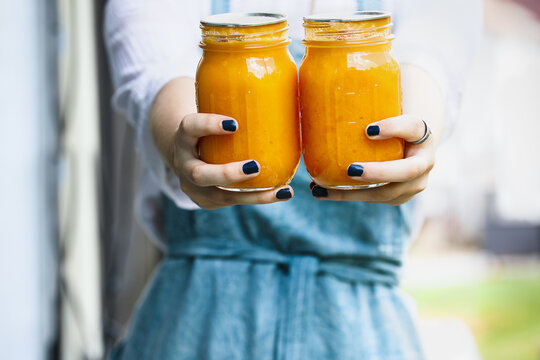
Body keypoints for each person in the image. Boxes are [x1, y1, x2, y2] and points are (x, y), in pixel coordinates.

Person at [104, 0, 481, 359]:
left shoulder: (377, 53)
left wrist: (416, 133)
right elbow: (153, 66)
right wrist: (180, 139)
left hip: (355, 330)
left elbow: (434, 58)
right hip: (198, 324)